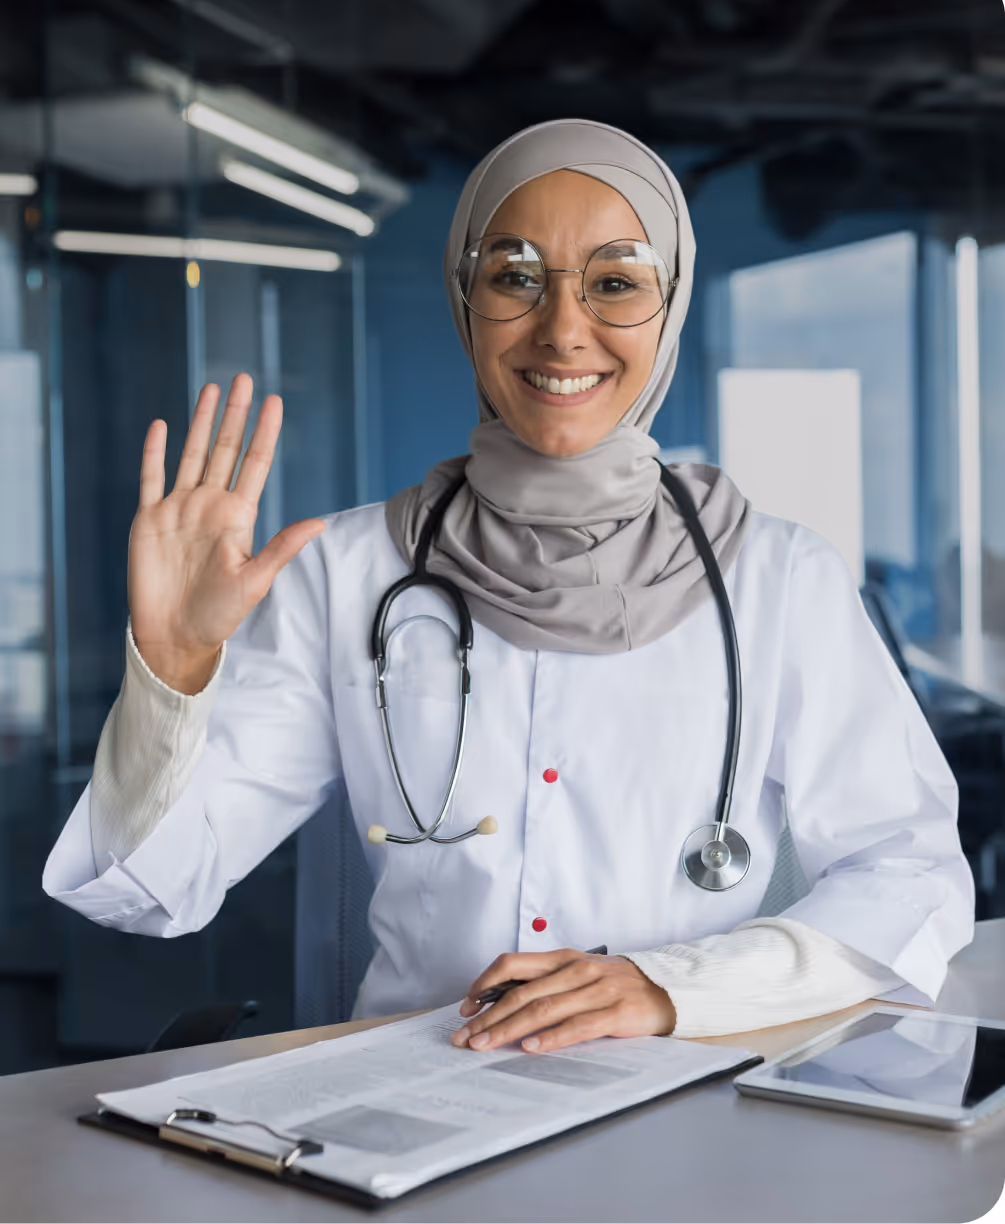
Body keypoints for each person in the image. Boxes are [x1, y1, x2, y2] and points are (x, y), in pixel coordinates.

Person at [43, 120, 973, 1054]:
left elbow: (912, 876)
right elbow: (147, 888)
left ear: (669, 303)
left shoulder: (778, 578)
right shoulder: (343, 572)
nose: (563, 329)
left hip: (681, 1110)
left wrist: (667, 986)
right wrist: (172, 669)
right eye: (514, 276)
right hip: (403, 1113)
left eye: (615, 282)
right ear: (465, 299)